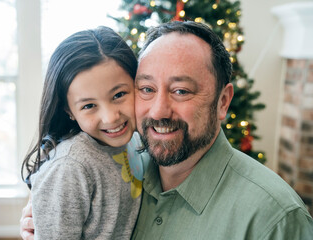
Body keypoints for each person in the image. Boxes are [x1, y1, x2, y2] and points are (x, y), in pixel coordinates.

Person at [21, 21, 313, 239]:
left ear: (222, 102)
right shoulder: (126, 162)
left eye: (181, 91)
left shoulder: (275, 219)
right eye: (147, 89)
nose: (159, 111)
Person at [21, 26, 143, 239]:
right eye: (88, 106)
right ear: (69, 111)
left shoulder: (135, 139)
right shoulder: (69, 168)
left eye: (119, 94)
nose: (110, 117)